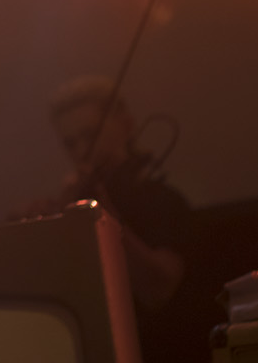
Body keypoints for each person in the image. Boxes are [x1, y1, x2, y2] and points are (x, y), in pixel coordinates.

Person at [47, 76, 191, 359]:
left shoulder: (164, 200)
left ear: (126, 124)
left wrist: (100, 214)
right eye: (70, 143)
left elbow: (159, 289)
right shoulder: (71, 210)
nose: (80, 152)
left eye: (90, 135)